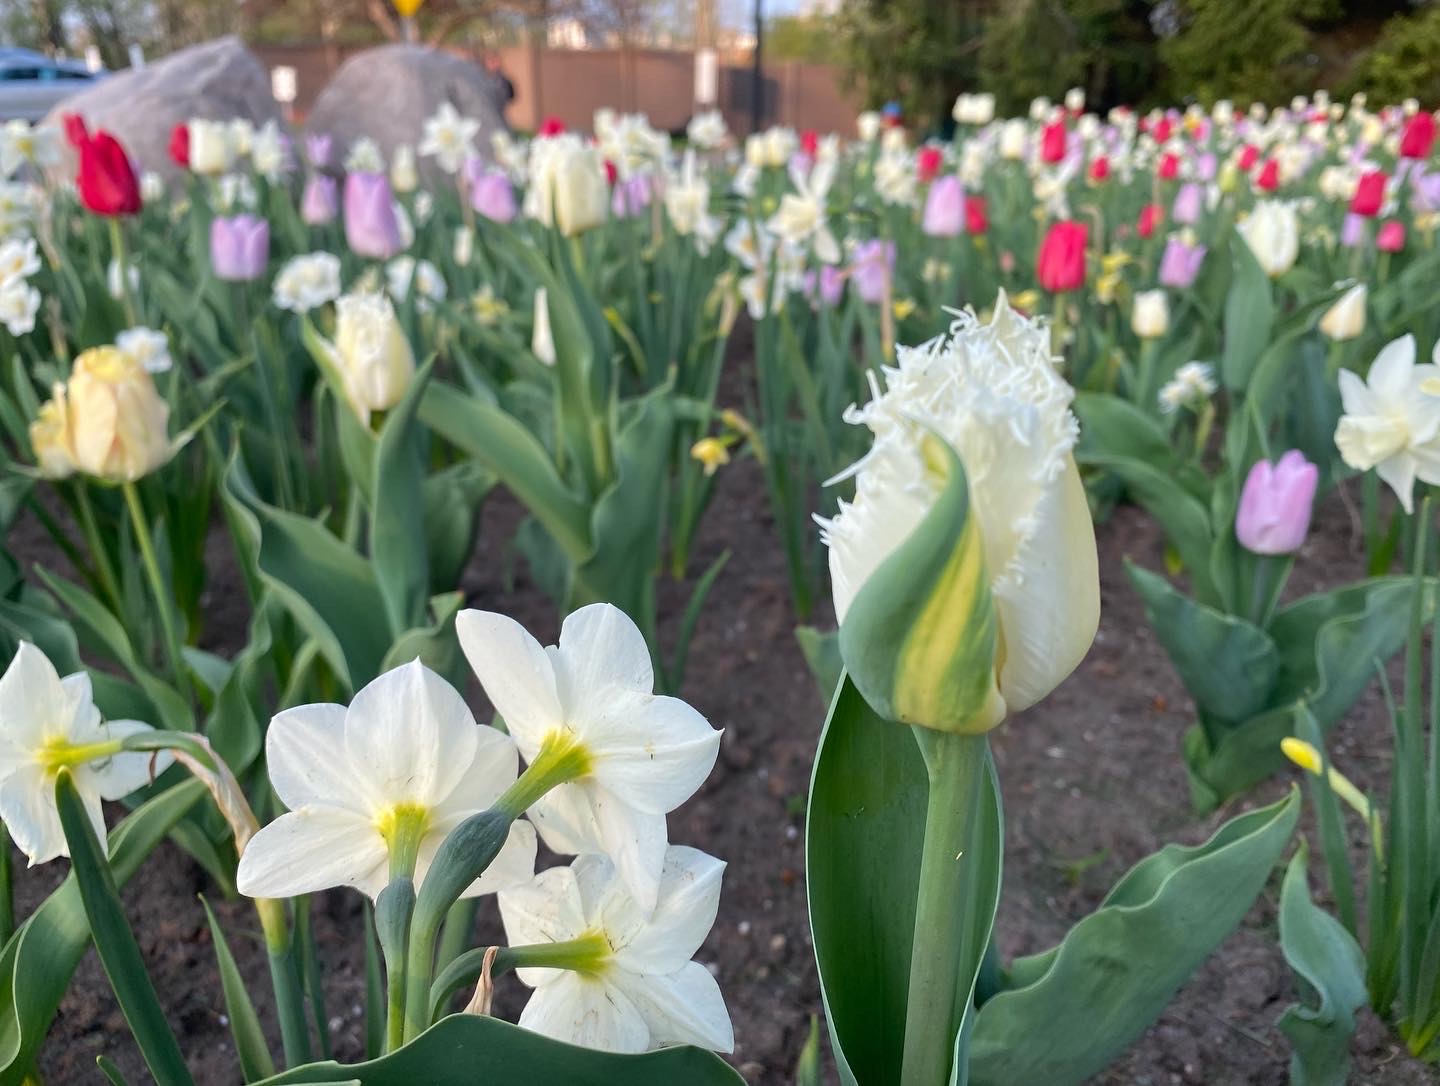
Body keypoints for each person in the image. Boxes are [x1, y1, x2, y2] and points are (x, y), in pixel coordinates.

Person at [484, 52, 515, 116]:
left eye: (495, 62)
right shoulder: (482, 78)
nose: (494, 64)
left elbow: (511, 95)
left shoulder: (503, 80)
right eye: (491, 62)